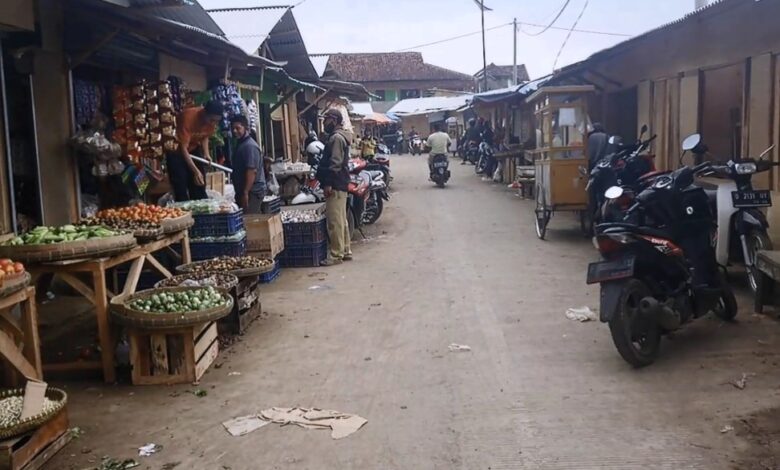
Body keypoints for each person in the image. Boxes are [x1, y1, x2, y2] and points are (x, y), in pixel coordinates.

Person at [316, 108, 353, 266]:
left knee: (334, 221)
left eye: (326, 119)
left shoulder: (337, 138)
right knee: (341, 219)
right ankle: (345, 250)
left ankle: (336, 254)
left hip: (336, 183)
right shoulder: (339, 136)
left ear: (334, 120)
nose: (324, 123)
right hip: (341, 183)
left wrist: (328, 183)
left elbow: (335, 163)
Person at [169, 100, 224, 201]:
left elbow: (205, 136)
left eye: (217, 121)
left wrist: (206, 153)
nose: (214, 123)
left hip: (193, 149)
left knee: (199, 183)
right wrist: (195, 170)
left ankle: (200, 212)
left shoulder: (211, 122)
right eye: (212, 120)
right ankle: (184, 212)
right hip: (177, 151)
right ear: (204, 113)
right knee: (181, 183)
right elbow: (183, 148)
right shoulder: (188, 118)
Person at [230, 115, 266, 213]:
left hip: (252, 192)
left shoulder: (249, 146)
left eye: (238, 128)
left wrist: (245, 193)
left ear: (245, 128)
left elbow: (252, 171)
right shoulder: (240, 144)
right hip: (244, 190)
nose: (234, 131)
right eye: (233, 128)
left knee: (249, 219)